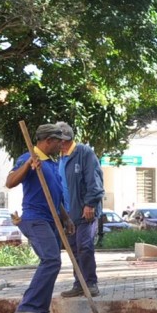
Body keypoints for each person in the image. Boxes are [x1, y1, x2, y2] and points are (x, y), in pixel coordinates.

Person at [5, 123, 70, 313]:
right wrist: (28, 166)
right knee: (51, 259)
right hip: (35, 219)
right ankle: (28, 307)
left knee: (53, 262)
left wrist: (65, 218)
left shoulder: (50, 163)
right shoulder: (28, 158)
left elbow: (54, 196)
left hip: (52, 220)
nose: (62, 145)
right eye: (59, 141)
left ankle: (38, 310)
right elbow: (10, 182)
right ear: (48, 140)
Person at [54, 121, 104, 297]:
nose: (61, 144)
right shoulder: (59, 158)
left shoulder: (84, 153)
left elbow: (94, 181)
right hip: (68, 214)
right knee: (73, 249)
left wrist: (90, 204)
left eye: (63, 140)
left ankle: (90, 283)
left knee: (85, 246)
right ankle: (79, 283)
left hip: (85, 211)